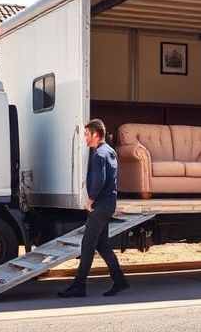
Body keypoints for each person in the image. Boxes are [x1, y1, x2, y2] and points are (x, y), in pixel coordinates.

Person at [59, 119, 129, 298]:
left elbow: (100, 180)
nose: (84, 138)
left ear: (96, 134)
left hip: (100, 206)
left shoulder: (98, 154)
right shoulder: (110, 151)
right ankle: (120, 281)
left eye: (86, 134)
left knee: (87, 244)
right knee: (102, 245)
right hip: (108, 204)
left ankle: (79, 286)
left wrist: (90, 200)